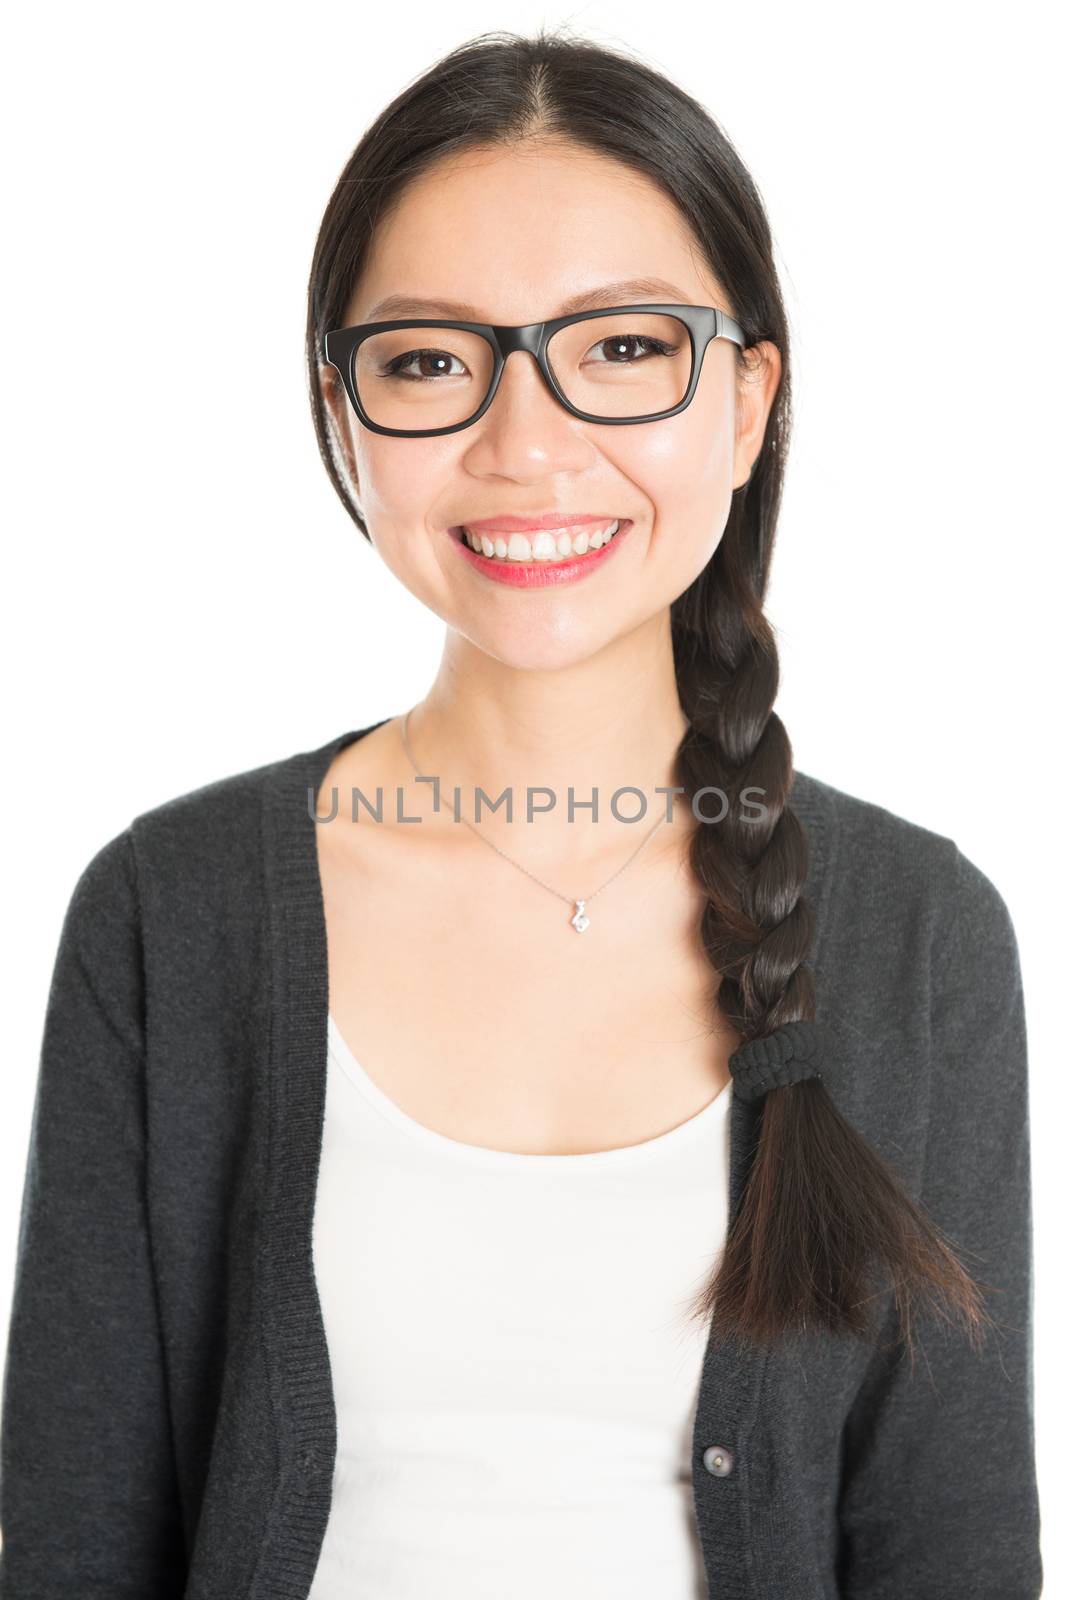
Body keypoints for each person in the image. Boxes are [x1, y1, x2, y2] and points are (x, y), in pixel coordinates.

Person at [0, 28, 1042, 1600]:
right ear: (343, 412)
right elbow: (72, 1545)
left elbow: (948, 1555)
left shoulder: (921, 937)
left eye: (623, 348)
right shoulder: (172, 909)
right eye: (429, 359)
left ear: (749, 401)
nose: (527, 447)